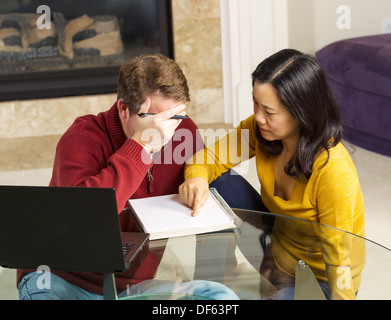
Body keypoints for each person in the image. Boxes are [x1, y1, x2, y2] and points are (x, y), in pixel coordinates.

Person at [17, 54, 238, 300]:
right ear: (124, 109)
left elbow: (202, 176)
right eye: (157, 120)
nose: (168, 130)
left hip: (130, 289)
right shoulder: (82, 138)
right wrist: (140, 148)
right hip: (62, 280)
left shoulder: (183, 131)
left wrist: (198, 179)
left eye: (175, 117)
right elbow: (84, 218)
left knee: (219, 296)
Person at [179, 49, 365, 300]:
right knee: (215, 184)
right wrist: (196, 178)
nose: (258, 117)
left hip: (317, 279)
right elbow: (209, 158)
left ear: (302, 112)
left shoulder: (333, 170)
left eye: (270, 111)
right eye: (255, 103)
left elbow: (339, 259)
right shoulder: (260, 130)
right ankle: (208, 290)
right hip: (274, 247)